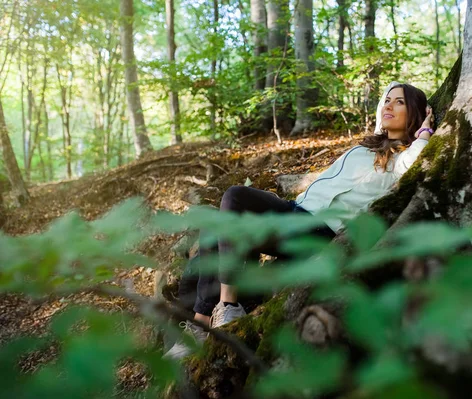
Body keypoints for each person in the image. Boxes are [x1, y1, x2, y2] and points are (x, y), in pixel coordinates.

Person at [165, 82, 435, 359]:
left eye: (399, 102)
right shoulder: (365, 147)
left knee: (236, 195)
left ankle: (227, 306)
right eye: (387, 100)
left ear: (414, 111)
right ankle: (200, 325)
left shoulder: (403, 159)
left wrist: (424, 132)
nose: (388, 105)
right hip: (295, 210)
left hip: (317, 229)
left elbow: (415, 160)